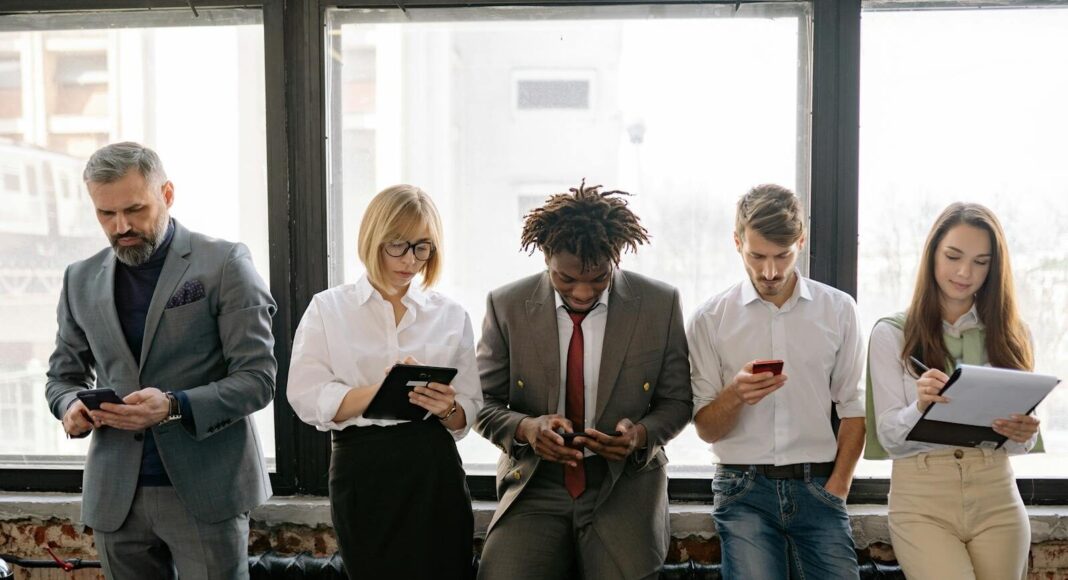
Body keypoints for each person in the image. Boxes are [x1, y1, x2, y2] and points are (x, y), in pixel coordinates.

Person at [45, 142, 277, 580]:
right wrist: (69, 406)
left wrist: (173, 405)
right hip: (116, 494)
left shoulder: (225, 263)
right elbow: (62, 376)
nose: (121, 226)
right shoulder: (79, 277)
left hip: (206, 490)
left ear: (167, 194)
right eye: (105, 214)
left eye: (135, 209)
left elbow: (258, 379)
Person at [475, 180, 692, 580]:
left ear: (615, 258)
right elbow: (480, 403)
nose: (582, 292)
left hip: (625, 483)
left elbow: (678, 402)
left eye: (598, 279)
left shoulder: (660, 304)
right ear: (545, 258)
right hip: (535, 481)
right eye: (566, 279)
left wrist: (638, 436)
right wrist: (526, 428)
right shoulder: (506, 305)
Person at [287, 184, 483, 580]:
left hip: (434, 468)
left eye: (422, 247)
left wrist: (446, 406)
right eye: (398, 245)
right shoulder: (329, 308)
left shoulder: (450, 314)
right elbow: (306, 397)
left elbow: (468, 414)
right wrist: (379, 392)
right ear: (373, 240)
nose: (410, 260)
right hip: (363, 467)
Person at [688, 184, 865, 579]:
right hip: (742, 489)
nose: (770, 272)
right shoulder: (709, 320)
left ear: (800, 242)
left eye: (782, 256)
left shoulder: (839, 310)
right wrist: (734, 395)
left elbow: (854, 409)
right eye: (757, 256)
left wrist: (836, 489)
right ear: (737, 243)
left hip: (819, 483)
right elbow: (705, 428)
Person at [866, 202, 1040, 580]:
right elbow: (889, 439)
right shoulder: (892, 333)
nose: (965, 272)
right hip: (922, 498)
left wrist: (1025, 433)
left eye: (981, 262)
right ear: (932, 255)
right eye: (953, 256)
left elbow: (1017, 445)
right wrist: (919, 406)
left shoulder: (1013, 334)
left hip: (997, 494)